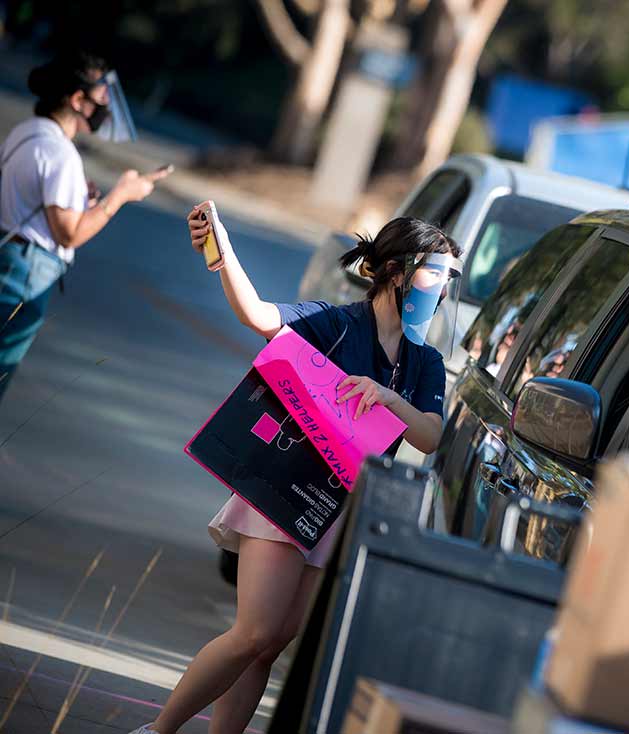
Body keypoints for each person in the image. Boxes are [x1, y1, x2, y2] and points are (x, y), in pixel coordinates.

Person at [128, 209, 461, 734]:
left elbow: (431, 435)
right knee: (254, 632)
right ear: (397, 271)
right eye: (436, 273)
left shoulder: (424, 363)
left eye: (448, 278)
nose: (443, 289)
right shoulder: (335, 322)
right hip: (286, 489)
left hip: (337, 507)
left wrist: (389, 398)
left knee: (271, 645)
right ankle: (157, 731)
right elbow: (258, 315)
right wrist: (224, 251)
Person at [0, 51, 169, 402]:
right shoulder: (61, 154)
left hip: (10, 251)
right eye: (101, 97)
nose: (106, 105)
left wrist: (82, 199)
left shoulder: (28, 131)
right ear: (78, 100)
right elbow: (69, 233)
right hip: (25, 272)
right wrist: (120, 195)